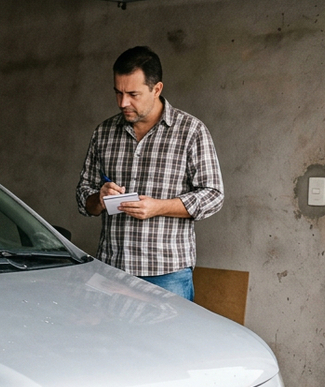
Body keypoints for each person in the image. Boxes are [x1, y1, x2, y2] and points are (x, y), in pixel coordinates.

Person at [75, 46, 224, 301]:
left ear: (157, 89)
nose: (123, 103)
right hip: (112, 269)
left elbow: (213, 195)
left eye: (133, 94)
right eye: (118, 93)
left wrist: (159, 207)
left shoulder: (191, 131)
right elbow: (83, 196)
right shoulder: (104, 133)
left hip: (167, 274)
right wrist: (98, 199)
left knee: (172, 331)